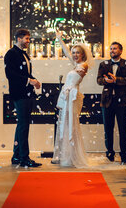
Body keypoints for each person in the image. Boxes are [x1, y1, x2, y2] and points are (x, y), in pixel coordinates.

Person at [52, 31, 94, 167]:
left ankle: (75, 156)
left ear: (82, 54)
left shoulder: (84, 65)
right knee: (65, 124)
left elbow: (82, 71)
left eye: (77, 53)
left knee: (72, 125)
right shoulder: (75, 65)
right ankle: (67, 155)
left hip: (73, 98)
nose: (75, 55)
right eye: (74, 52)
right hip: (67, 97)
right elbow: (66, 52)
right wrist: (59, 39)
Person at [4, 29, 42, 167]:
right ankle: (24, 158)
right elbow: (11, 74)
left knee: (21, 125)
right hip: (19, 94)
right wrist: (29, 80)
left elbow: (26, 73)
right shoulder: (11, 54)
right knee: (24, 126)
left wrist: (34, 80)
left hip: (27, 93)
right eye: (26, 38)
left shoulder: (24, 54)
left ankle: (16, 155)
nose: (28, 41)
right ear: (19, 39)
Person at [97, 42, 126, 164]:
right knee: (108, 128)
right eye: (111, 49)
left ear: (120, 51)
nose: (112, 51)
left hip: (122, 101)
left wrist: (116, 79)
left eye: (115, 49)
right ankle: (110, 153)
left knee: (123, 129)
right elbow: (98, 80)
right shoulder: (103, 64)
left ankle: (124, 156)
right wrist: (105, 80)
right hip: (107, 101)